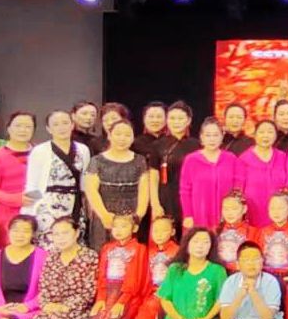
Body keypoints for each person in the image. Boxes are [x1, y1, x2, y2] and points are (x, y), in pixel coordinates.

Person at [84, 213, 146, 319]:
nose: (118, 230)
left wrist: (121, 302)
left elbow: (135, 279)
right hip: (107, 293)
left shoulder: (139, 249)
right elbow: (101, 276)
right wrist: (100, 299)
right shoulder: (107, 248)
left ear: (135, 228)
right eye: (115, 226)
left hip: (127, 295)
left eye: (124, 226)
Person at [25, 110, 91, 245]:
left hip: (75, 203)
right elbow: (32, 184)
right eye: (56, 124)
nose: (61, 127)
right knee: (50, 244)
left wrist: (87, 208)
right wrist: (29, 212)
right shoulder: (40, 151)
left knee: (74, 244)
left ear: (72, 125)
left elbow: (85, 182)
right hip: (47, 205)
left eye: (65, 123)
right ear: (48, 129)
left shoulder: (83, 149)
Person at [84, 119, 150, 248]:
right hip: (104, 212)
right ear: (109, 135)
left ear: (133, 138)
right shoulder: (97, 161)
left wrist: (137, 217)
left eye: (127, 135)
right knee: (103, 250)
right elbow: (91, 190)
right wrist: (104, 215)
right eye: (118, 134)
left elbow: (144, 192)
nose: (122, 138)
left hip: (131, 213)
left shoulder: (140, 160)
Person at [177, 118, 237, 233]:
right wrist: (188, 215)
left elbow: (237, 187)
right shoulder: (191, 160)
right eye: (208, 135)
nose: (212, 139)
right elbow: (185, 190)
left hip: (227, 214)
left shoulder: (231, 158)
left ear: (222, 137)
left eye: (216, 135)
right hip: (199, 213)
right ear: (201, 137)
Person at [0, 111, 35, 232]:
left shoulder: (41, 153)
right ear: (9, 128)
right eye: (18, 126)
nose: (23, 130)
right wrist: (15, 199)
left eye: (28, 126)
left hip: (37, 211)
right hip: (8, 214)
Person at [149, 101, 200, 222]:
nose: (176, 122)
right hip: (166, 197)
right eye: (172, 118)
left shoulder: (197, 145)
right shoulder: (157, 145)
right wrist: (155, 204)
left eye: (180, 118)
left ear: (188, 121)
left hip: (190, 198)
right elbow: (154, 176)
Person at [131, 216, 179, 319]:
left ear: (172, 232)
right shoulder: (148, 252)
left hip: (169, 294)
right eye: (155, 231)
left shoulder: (178, 251)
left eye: (164, 230)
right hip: (151, 293)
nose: (159, 234)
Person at [237, 120, 288, 228]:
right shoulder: (243, 159)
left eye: (270, 132)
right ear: (254, 135)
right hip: (253, 212)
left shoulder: (283, 157)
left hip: (279, 213)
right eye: (261, 132)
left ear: (276, 135)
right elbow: (238, 190)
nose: (266, 135)